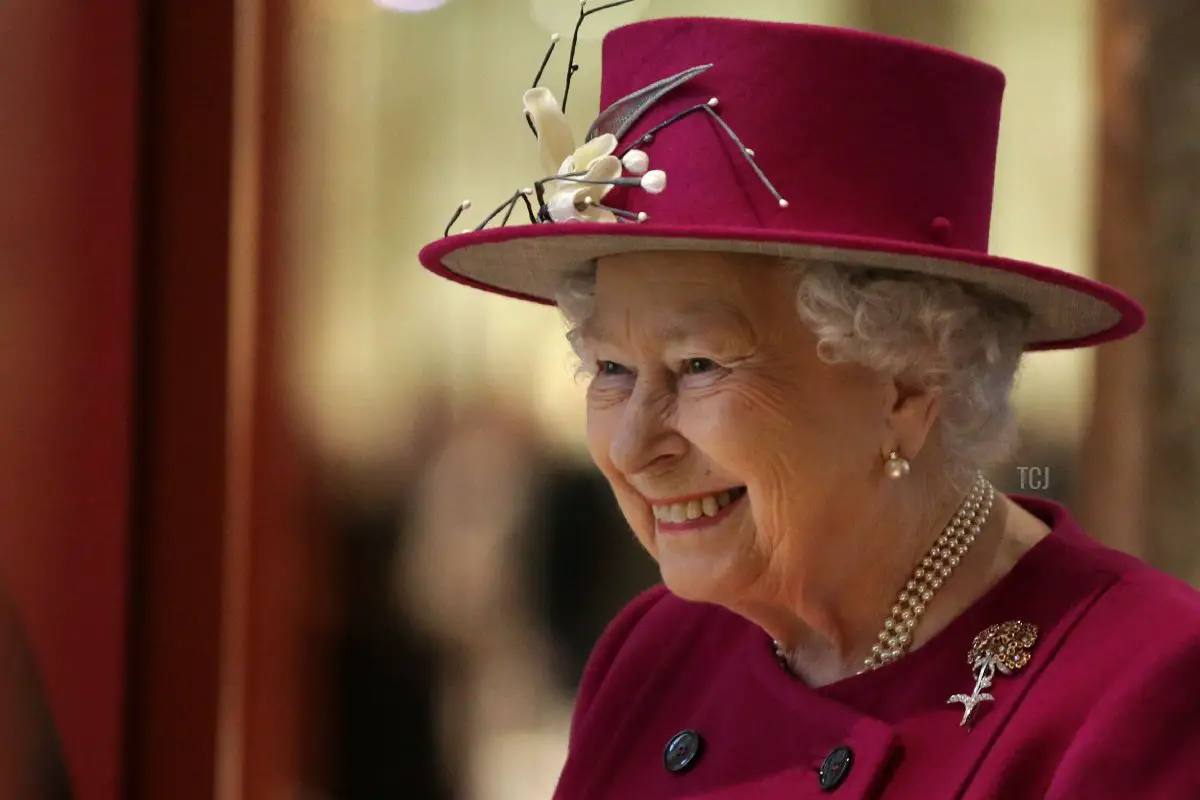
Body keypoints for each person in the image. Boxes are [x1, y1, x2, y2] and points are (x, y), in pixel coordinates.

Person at [418, 11, 1200, 799]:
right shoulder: (655, 651)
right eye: (612, 369)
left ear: (908, 382)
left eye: (698, 366)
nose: (631, 445)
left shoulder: (1140, 681)